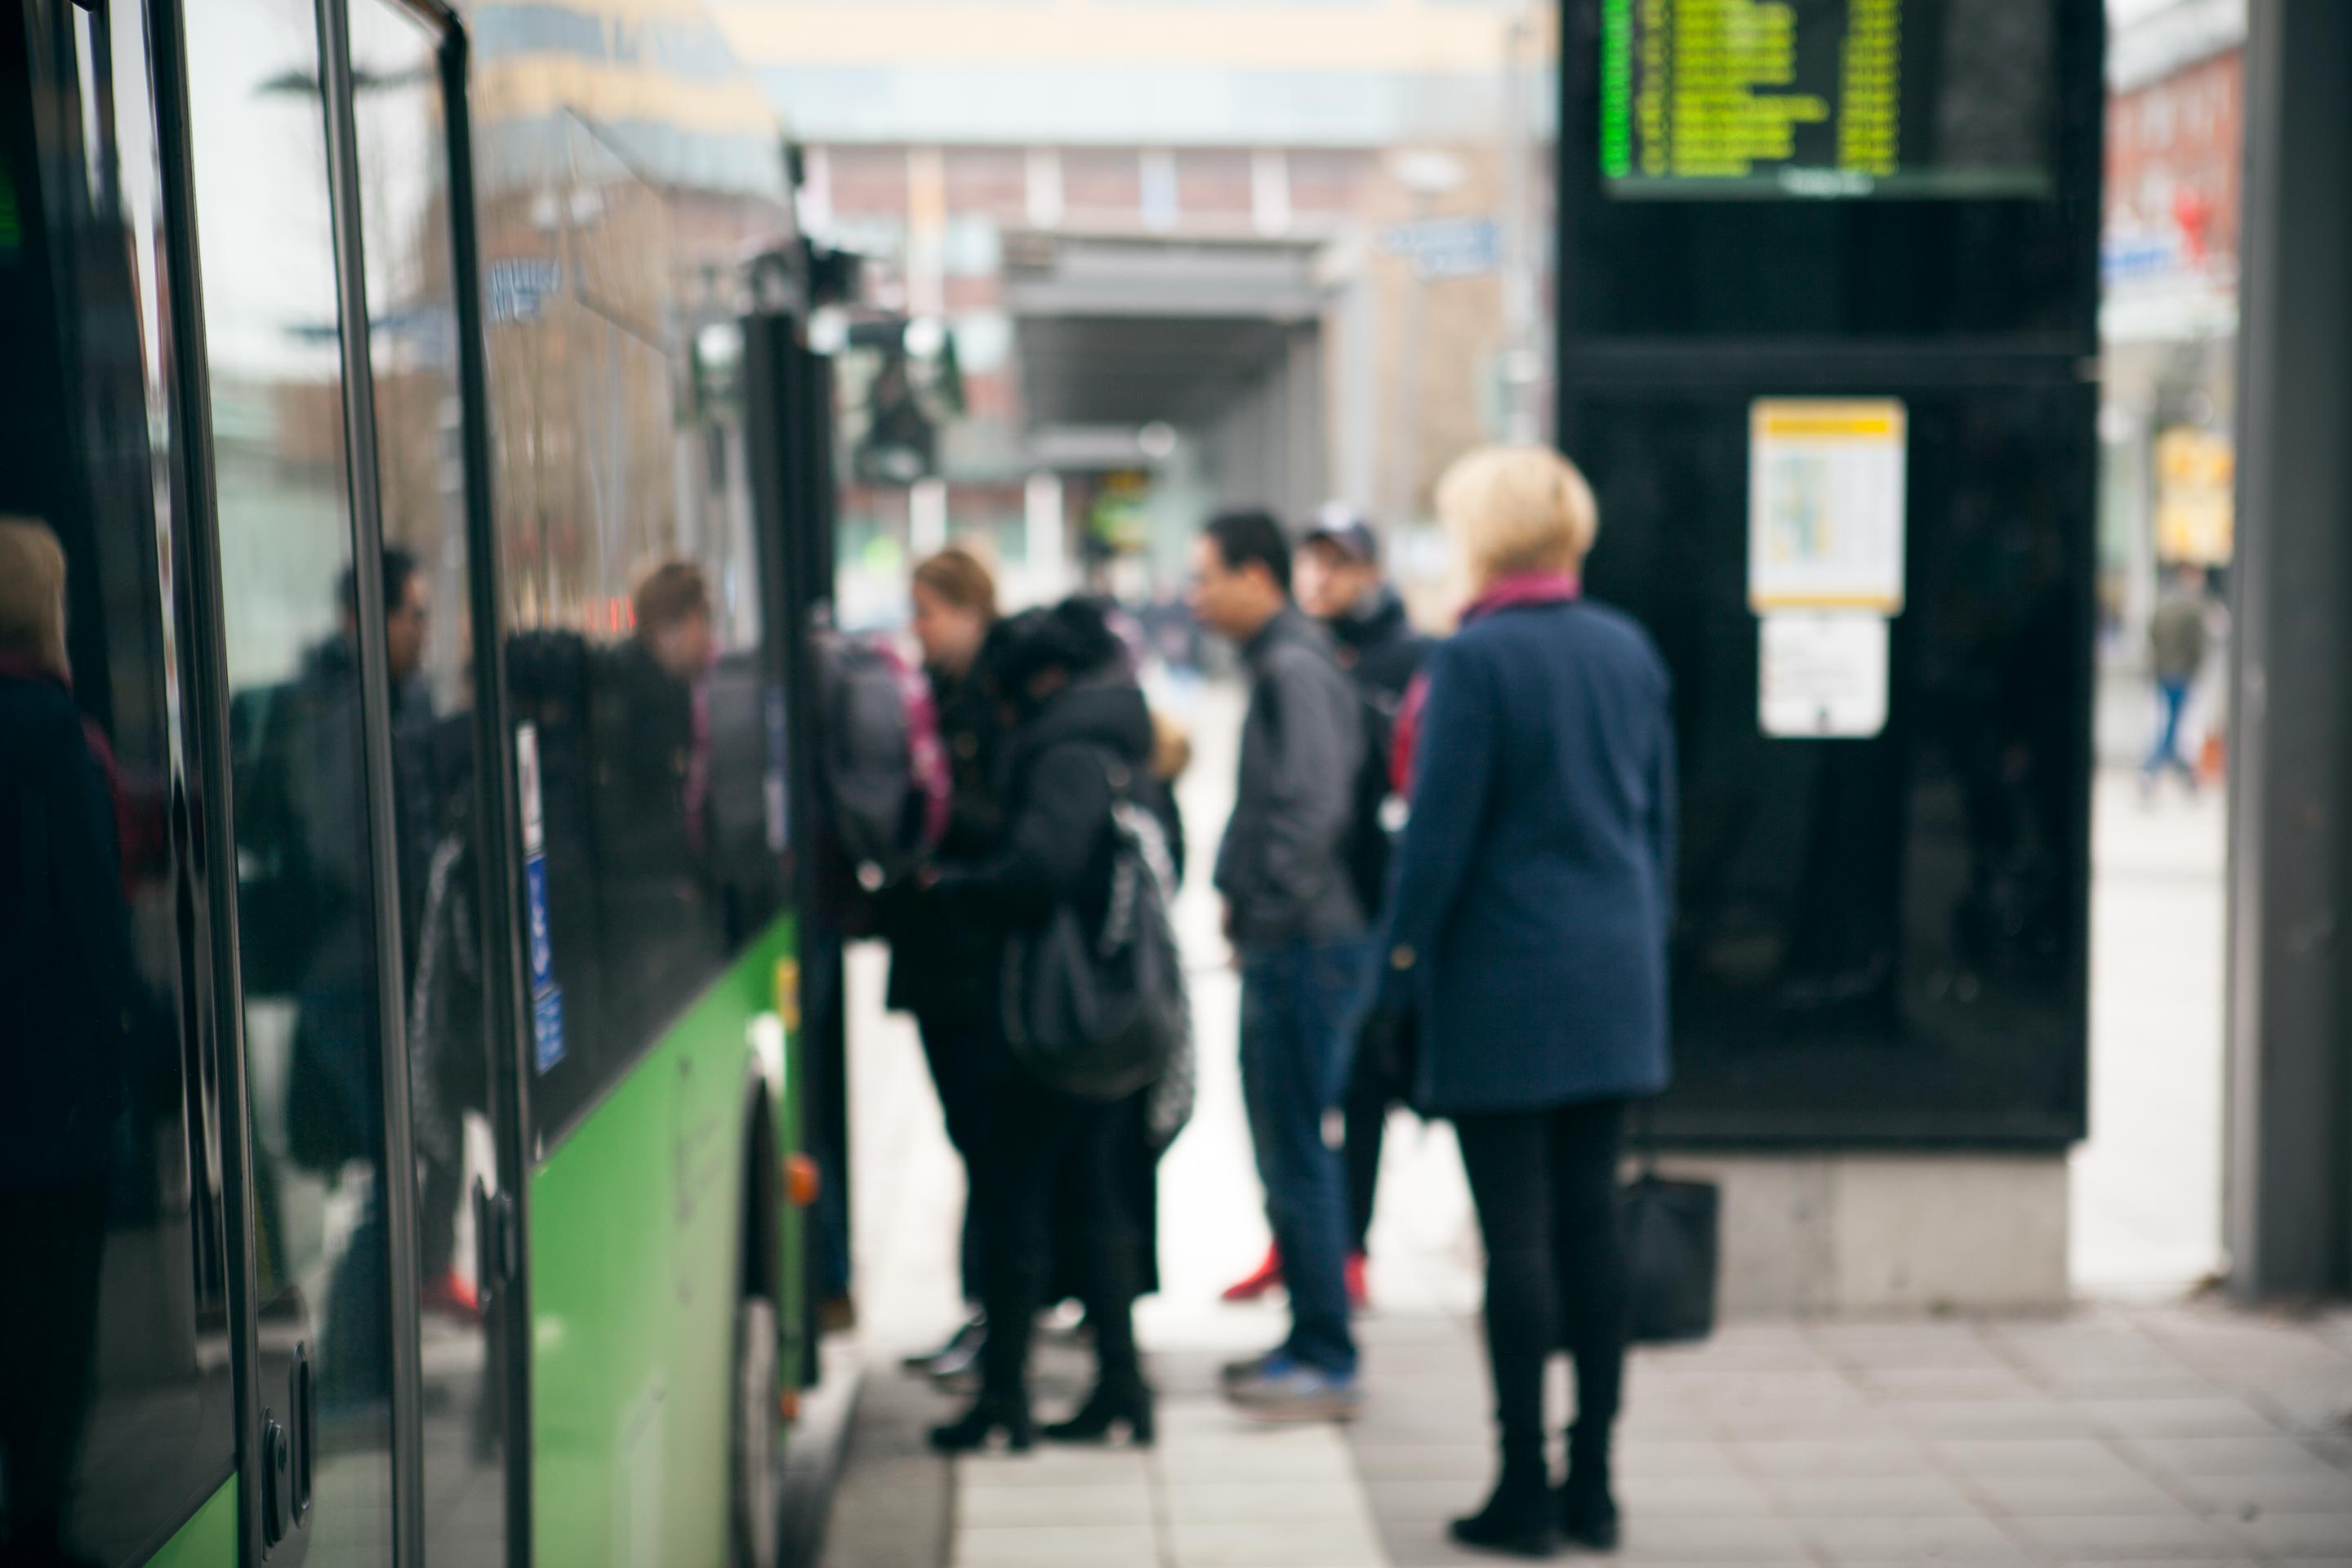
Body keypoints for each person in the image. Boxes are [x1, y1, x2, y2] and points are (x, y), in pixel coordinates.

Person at [1379, 447, 1674, 1556]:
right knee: (1590, 1226)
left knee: (1519, 1242)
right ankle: (1594, 1487)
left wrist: (1395, 975)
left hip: (1505, 981)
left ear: (1484, 535)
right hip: (1615, 979)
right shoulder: (1626, 649)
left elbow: (1435, 847)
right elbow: (1659, 829)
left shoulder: (1475, 660)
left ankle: (1521, 1487)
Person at [916, 599, 1161, 1452]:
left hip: (1050, 1021)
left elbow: (1040, 869)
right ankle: (1123, 1391)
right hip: (1110, 1008)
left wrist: (952, 887)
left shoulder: (1064, 751)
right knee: (1097, 1199)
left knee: (1016, 1201)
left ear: (1041, 679)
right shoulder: (1127, 742)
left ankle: (1005, 1402)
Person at [1223, 508, 1431, 1312]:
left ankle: (1346, 1253)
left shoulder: (1405, 658)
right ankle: (1303, 1247)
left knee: (1359, 1091)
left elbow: (1315, 807)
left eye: (1338, 563)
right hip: (1326, 905)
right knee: (1295, 1108)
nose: (1322, 577)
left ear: (1371, 571)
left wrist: (1270, 906)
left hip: (1361, 906)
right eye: (1313, 562)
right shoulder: (1305, 656)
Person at [1188, 509, 1370, 1422]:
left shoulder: (1294, 668)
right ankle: (1310, 1334)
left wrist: (1261, 909)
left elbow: (1309, 808)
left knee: (1296, 1143)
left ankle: (1326, 1350)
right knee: (1288, 1142)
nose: (1195, 596)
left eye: (1207, 575)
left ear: (1257, 577)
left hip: (1305, 942)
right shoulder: (1288, 662)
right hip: (1296, 937)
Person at [0, 519, 157, 1568]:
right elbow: (97, 925)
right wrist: (130, 1055)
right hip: (48, 1097)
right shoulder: (57, 735)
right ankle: (41, 1529)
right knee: (53, 1330)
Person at [889, 547, 1004, 1383]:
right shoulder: (938, 695)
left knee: (986, 1141)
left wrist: (925, 819)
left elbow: (996, 818)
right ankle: (985, 1314)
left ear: (971, 610)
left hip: (972, 951)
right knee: (971, 1141)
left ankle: (996, 1319)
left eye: (929, 610)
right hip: (940, 950)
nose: (917, 629)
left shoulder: (989, 699)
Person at [2143, 562, 2209, 795]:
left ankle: (2181, 774)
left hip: (2164, 672)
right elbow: (2198, 645)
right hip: (2181, 673)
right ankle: (2154, 770)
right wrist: (2194, 667)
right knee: (2174, 725)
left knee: (2173, 723)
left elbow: (2152, 633)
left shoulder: (2164, 605)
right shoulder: (2192, 609)